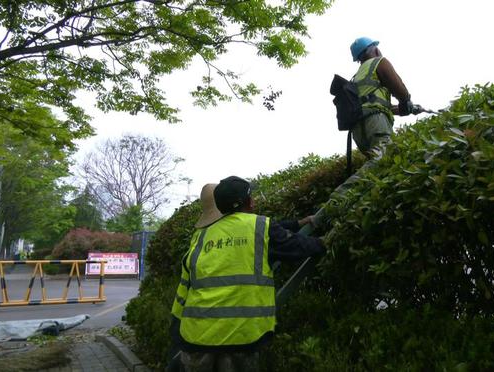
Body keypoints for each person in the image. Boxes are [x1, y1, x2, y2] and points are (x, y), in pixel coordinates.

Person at [174, 177, 324, 372]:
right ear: (250, 201)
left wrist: (176, 331)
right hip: (240, 336)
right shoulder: (261, 226)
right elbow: (295, 245)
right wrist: (323, 242)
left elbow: (184, 286)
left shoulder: (201, 235)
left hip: (196, 337)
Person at [312, 37, 418, 230]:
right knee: (383, 160)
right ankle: (333, 205)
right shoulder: (380, 62)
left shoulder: (357, 77)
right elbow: (400, 90)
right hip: (375, 123)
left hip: (359, 130)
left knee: (379, 171)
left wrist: (401, 109)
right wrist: (406, 101)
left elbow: (373, 103)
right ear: (373, 49)